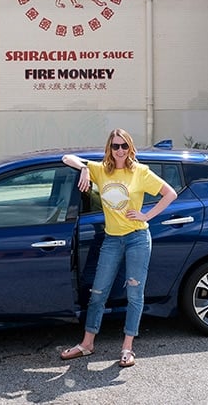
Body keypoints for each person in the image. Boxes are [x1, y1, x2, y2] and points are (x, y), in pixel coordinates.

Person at [60, 129, 177, 368]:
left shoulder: (140, 172)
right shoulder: (102, 170)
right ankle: (87, 344)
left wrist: (147, 215)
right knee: (98, 293)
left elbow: (170, 193)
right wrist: (84, 168)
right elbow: (66, 158)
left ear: (130, 147)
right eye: (115, 146)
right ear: (109, 149)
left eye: (124, 146)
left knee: (135, 294)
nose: (120, 150)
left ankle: (127, 347)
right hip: (112, 239)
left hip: (137, 238)